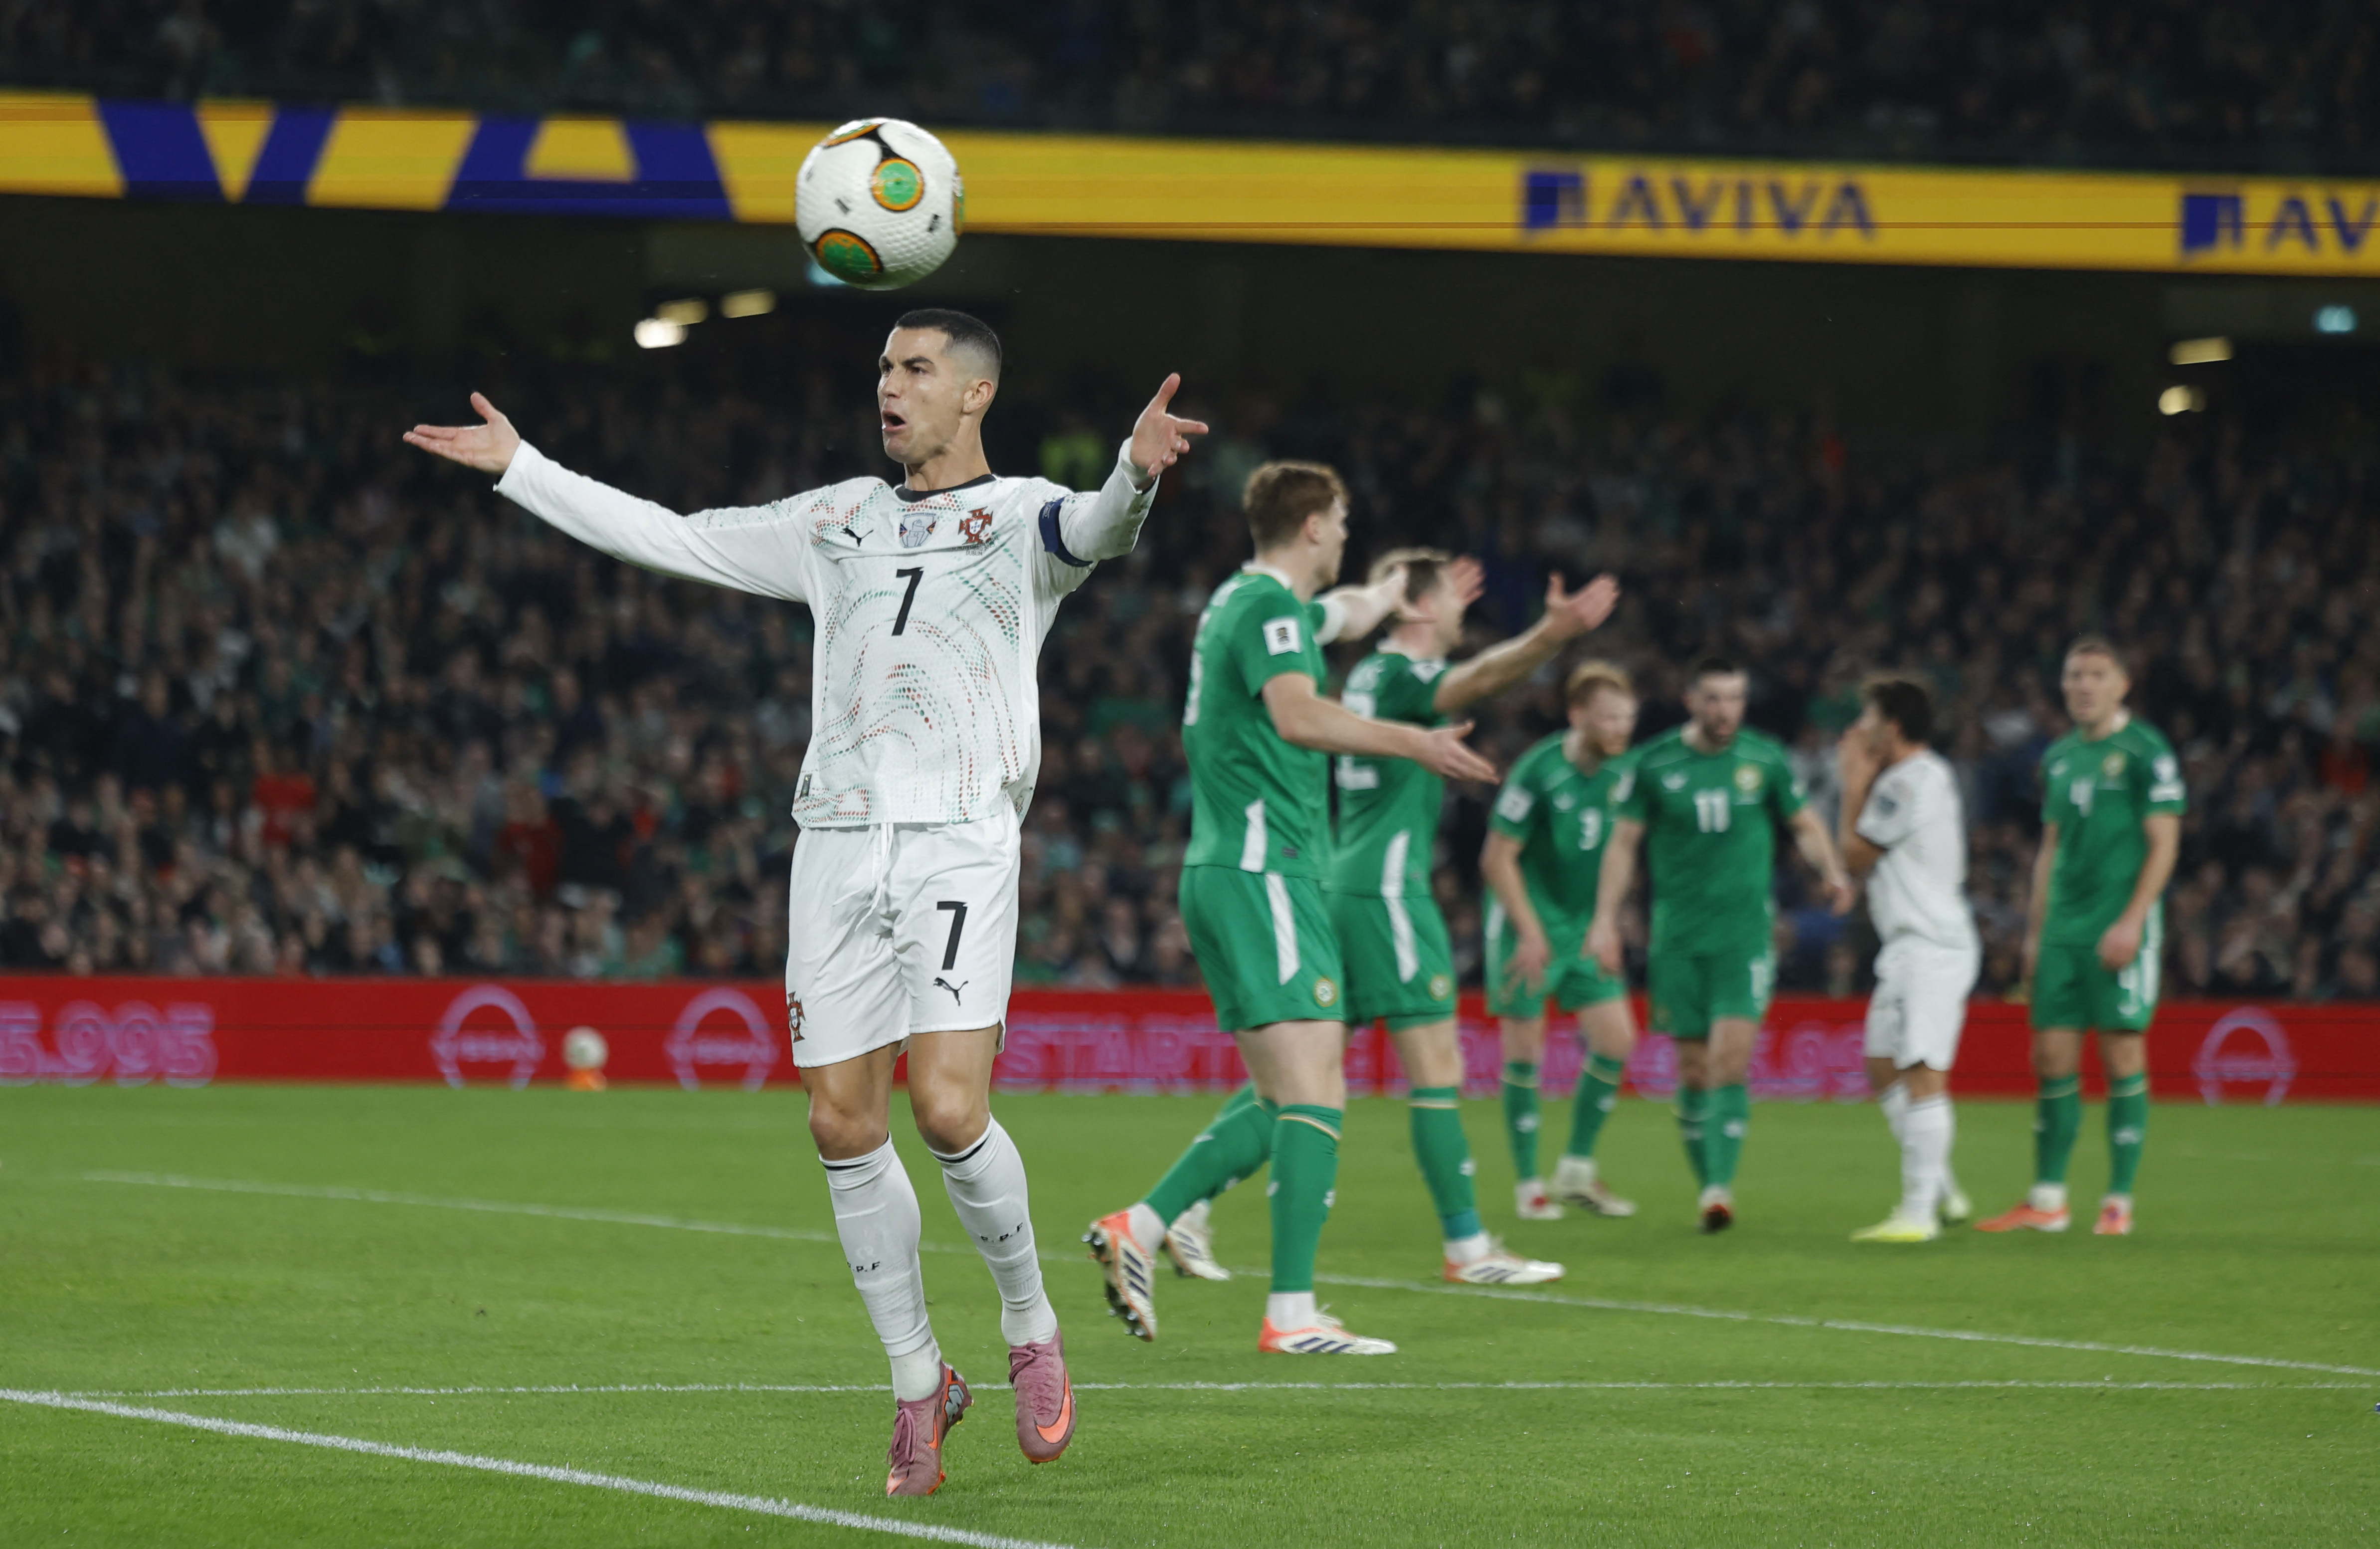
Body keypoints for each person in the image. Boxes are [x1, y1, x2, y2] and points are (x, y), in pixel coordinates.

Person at [403, 308, 1210, 1497]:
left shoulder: (1021, 519)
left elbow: (1095, 527)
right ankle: (915, 1379)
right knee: (841, 1123)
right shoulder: (832, 520)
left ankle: (1030, 1324)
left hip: (955, 841)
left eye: (916, 369)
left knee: (943, 1105)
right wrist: (523, 469)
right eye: (883, 367)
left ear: (974, 394)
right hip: (833, 842)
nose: (889, 386)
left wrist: (1132, 473)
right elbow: (674, 537)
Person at [1085, 463, 1497, 1355]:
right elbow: (1300, 715)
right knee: (1314, 1091)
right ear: (1313, 524)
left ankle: (1147, 1227)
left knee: (1288, 1093)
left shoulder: (1254, 605)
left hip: (1232, 869)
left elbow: (1339, 616)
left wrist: (1387, 595)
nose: (1347, 534)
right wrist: (1415, 742)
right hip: (1264, 872)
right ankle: (1290, 1311)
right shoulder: (1269, 611)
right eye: (1342, 520)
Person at [1587, 657, 1853, 1232]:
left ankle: (1717, 1189)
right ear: (1690, 699)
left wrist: (1829, 868)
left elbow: (1804, 823)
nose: (1724, 710)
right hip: (1678, 940)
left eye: (1733, 698)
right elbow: (1623, 844)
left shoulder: (1764, 758)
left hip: (1744, 939)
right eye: (1712, 698)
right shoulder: (1654, 763)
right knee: (1694, 1069)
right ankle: (1707, 1176)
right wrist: (1606, 918)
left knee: (1731, 1062)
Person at [1979, 638, 2183, 1237]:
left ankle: (2118, 1200)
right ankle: (2048, 1200)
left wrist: (2133, 921)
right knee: (2051, 1059)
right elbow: (2052, 847)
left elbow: (2165, 843)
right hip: (2063, 932)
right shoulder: (2061, 757)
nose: (2084, 686)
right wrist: (2034, 934)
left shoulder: (2147, 751)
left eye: (2097, 675)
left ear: (2122, 683)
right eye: (2074, 676)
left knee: (2122, 1054)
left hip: (2119, 928)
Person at [1482, 660, 1643, 1224]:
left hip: (1582, 926)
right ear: (1578, 717)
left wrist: (1606, 921)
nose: (1621, 729)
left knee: (1617, 1038)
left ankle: (1575, 1169)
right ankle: (1529, 1185)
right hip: (1525, 919)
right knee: (1525, 1052)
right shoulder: (1539, 771)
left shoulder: (1625, 775)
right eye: (1609, 718)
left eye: (1627, 718)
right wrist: (1529, 931)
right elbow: (1496, 859)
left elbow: (1618, 855)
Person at [1834, 675, 1980, 1243]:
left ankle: (1918, 1214)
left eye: (1867, 718)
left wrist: (1852, 781)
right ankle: (1942, 1188)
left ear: (1892, 727)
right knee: (1881, 1064)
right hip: (1910, 947)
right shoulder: (1919, 776)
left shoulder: (1908, 779)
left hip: (1930, 946)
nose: (1858, 729)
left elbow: (1854, 854)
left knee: (1922, 1072)